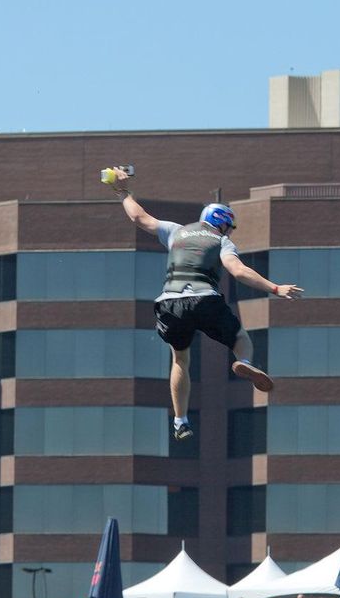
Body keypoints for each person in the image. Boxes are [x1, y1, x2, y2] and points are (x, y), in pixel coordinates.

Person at [106, 167, 302, 439]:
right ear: (222, 223)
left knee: (180, 358)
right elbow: (238, 271)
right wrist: (275, 287)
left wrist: (122, 191)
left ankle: (180, 421)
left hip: (170, 304)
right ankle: (243, 361)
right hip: (204, 299)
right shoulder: (221, 241)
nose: (230, 233)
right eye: (230, 227)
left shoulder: (176, 231)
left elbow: (139, 217)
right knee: (241, 338)